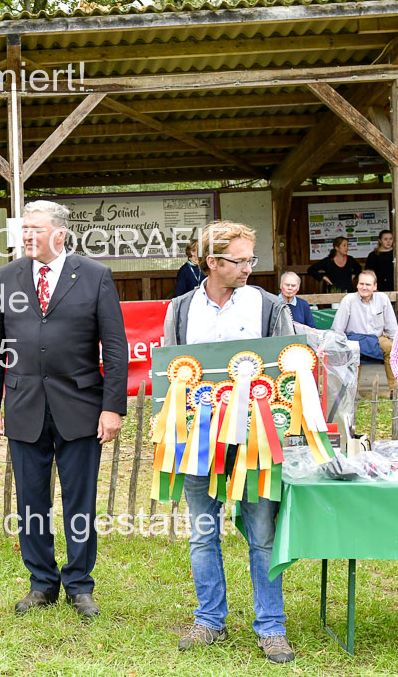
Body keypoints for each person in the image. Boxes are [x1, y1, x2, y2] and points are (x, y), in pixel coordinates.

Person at [0, 200, 128, 619]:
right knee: (31, 501)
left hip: (81, 406)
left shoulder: (95, 275)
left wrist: (112, 408)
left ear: (59, 234)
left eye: (35, 229)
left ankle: (80, 585)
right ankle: (42, 583)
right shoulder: (7, 276)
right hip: (24, 405)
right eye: (23, 229)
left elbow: (115, 347)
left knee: (79, 501)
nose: (26, 236)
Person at [164, 221, 297, 664]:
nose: (248, 268)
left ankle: (271, 625)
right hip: (199, 441)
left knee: (262, 533)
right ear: (212, 263)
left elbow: (285, 375)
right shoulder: (180, 309)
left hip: (256, 438)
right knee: (203, 533)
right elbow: (173, 376)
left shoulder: (268, 305)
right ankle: (209, 619)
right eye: (239, 261)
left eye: (250, 260)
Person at [330, 270, 397, 393]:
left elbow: (391, 325)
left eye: (368, 284)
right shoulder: (348, 300)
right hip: (354, 338)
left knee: (391, 348)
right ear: (357, 285)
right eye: (361, 284)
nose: (364, 287)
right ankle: (352, 392)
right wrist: (338, 345)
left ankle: (394, 390)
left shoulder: (382, 299)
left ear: (375, 286)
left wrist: (396, 343)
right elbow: (338, 328)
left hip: (376, 338)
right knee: (353, 351)